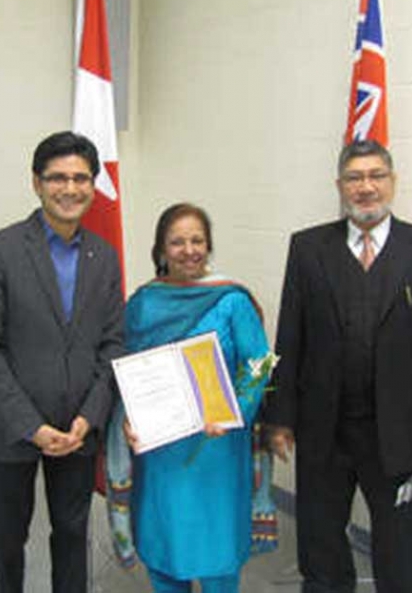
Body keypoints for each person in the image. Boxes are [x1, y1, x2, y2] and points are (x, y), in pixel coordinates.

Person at [264, 140, 412, 593]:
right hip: (324, 430)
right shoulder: (308, 248)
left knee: (404, 556)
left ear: (392, 182)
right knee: (321, 549)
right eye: (355, 178)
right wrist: (280, 419)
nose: (366, 187)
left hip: (402, 436)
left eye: (376, 176)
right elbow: (290, 338)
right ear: (340, 186)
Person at [0, 131, 125, 593]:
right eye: (57, 178)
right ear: (36, 183)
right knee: (7, 542)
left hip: (77, 429)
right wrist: (30, 426)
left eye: (81, 178)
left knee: (73, 535)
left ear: (94, 185)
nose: (70, 188)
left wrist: (88, 417)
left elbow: (113, 344)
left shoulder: (104, 257)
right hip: (10, 429)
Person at [106, 203, 278, 593]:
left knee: (217, 554)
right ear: (162, 249)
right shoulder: (143, 303)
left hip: (216, 446)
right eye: (177, 241)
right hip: (160, 449)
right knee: (164, 547)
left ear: (209, 245)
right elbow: (125, 369)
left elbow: (259, 363)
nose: (189, 249)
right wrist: (129, 417)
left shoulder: (231, 300)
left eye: (197, 240)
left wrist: (236, 410)